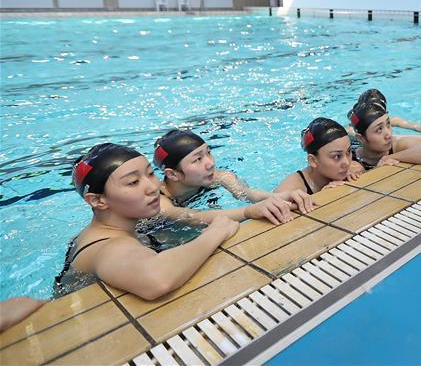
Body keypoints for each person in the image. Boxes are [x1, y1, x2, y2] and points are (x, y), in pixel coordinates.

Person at [54, 143, 239, 299]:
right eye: (133, 182)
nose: (153, 187)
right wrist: (216, 232)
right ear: (97, 200)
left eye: (150, 174)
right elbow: (158, 280)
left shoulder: (104, 230)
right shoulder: (107, 246)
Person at [154, 129, 315, 224]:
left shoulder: (217, 177)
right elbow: (193, 217)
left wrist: (281, 196)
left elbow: (246, 193)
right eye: (198, 159)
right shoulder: (159, 202)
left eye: (208, 153)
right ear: (172, 174)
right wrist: (248, 212)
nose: (210, 163)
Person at [274, 118, 362, 195]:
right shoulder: (290, 190)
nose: (347, 163)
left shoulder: (354, 169)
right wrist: (322, 197)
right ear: (313, 161)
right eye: (337, 156)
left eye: (348, 152)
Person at [350, 102, 421, 169]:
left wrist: (390, 157)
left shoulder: (396, 146)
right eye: (379, 129)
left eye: (388, 124)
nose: (388, 134)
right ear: (361, 138)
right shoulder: (350, 159)